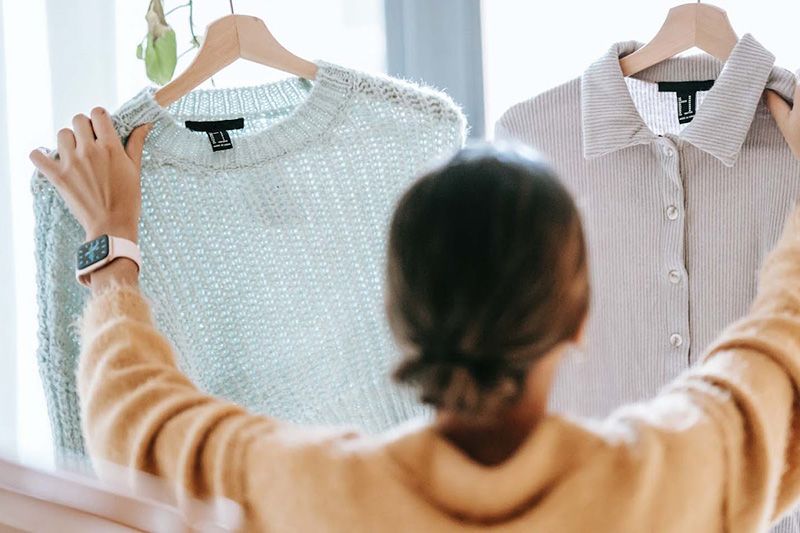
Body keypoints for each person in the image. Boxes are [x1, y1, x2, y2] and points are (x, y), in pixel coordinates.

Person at [29, 86, 800, 532]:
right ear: (579, 315)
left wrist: (111, 253)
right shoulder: (658, 485)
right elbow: (776, 359)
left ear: (396, 314)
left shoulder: (317, 495)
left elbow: (144, 424)